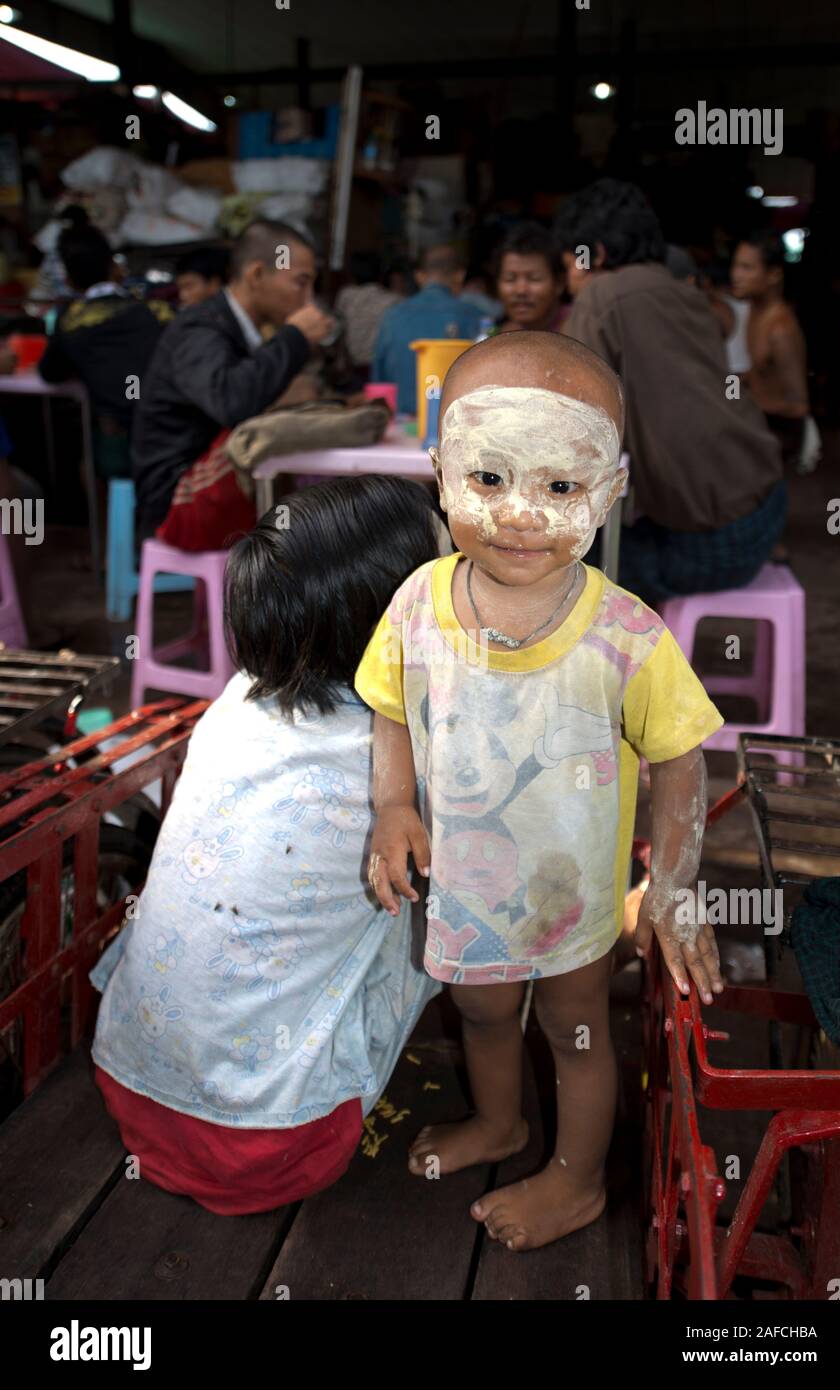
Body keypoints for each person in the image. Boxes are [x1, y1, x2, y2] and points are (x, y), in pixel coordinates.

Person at [355, 331, 726, 1253]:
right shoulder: (414, 603)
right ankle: (500, 1122)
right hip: (465, 891)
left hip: (574, 902)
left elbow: (684, 759)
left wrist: (674, 889)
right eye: (487, 479)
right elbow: (391, 709)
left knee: (575, 1031)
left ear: (610, 490)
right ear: (438, 472)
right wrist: (393, 807)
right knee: (478, 1010)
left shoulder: (627, 636)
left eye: (560, 488)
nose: (519, 514)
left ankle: (576, 1178)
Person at [90, 476, 446, 1215]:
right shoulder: (404, 760)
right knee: (438, 900)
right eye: (443, 579)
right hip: (277, 1147)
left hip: (130, 1087)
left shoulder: (238, 698)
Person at [555, 179, 787, 606]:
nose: (568, 278)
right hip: (763, 511)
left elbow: (576, 423)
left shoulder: (600, 295)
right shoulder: (685, 293)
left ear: (596, 254)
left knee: (556, 571)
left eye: (570, 263)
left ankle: (613, 672)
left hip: (713, 544)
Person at [131, 219, 334, 541]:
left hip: (210, 487)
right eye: (300, 282)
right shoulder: (199, 330)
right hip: (177, 499)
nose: (308, 300)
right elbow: (232, 401)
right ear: (256, 274)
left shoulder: (240, 330)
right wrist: (294, 337)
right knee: (312, 506)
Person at [38, 206, 173, 480]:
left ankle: (108, 521)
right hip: (171, 436)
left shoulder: (70, 323)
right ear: (116, 268)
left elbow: (50, 372)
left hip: (117, 447)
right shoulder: (157, 311)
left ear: (67, 279)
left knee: (91, 469)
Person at [731, 231, 821, 474]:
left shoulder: (780, 330)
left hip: (777, 439)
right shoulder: (753, 310)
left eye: (747, 268)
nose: (735, 275)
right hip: (758, 428)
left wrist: (744, 406)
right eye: (736, 265)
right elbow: (759, 370)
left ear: (773, 275)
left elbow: (799, 406)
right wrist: (730, 389)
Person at [371, 245, 484, 414]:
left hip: (400, 427)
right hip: (453, 426)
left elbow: (379, 384)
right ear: (460, 275)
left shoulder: (392, 317)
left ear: (419, 276)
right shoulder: (475, 317)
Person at [493, 223, 568, 334]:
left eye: (534, 278)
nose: (520, 290)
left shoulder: (578, 328)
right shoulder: (503, 336)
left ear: (559, 284)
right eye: (510, 279)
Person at [334, 251, 401, 376]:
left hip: (353, 365)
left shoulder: (345, 296)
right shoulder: (393, 300)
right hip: (382, 367)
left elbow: (340, 332)